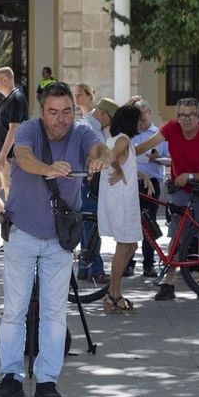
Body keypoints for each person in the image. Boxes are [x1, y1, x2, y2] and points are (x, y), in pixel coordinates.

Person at [0, 81, 108, 397]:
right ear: (42, 112)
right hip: (23, 233)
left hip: (60, 239)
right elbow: (23, 156)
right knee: (14, 310)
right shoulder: (29, 130)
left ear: (74, 110)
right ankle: (11, 376)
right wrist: (49, 169)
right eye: (53, 112)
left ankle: (47, 380)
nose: (61, 119)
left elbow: (99, 148)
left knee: (55, 313)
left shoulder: (82, 132)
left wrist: (100, 159)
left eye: (67, 111)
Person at [134, 98, 199, 301]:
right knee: (176, 235)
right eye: (182, 115)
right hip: (180, 189)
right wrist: (124, 153)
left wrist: (190, 175)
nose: (186, 119)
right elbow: (146, 145)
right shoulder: (172, 128)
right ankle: (168, 283)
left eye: (191, 115)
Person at [98, 105, 141, 313]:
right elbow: (109, 158)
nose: (141, 123)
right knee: (125, 246)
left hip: (122, 199)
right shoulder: (123, 139)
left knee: (130, 246)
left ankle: (114, 292)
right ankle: (113, 294)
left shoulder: (116, 139)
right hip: (122, 201)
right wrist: (118, 171)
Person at [77, 98, 117, 282]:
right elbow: (86, 154)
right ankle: (96, 270)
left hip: (89, 180)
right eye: (110, 119)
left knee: (87, 223)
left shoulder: (94, 127)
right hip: (86, 180)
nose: (110, 124)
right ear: (102, 113)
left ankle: (85, 269)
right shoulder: (88, 127)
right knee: (92, 224)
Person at [0, 67, 28, 219]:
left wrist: (3, 156)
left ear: (5, 80)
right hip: (1, 157)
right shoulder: (7, 100)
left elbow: (14, 129)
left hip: (9, 157)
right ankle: (7, 224)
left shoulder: (17, 98)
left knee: (11, 198)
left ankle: (15, 235)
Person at [131, 98, 167, 277]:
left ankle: (148, 264)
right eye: (137, 115)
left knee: (149, 224)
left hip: (151, 184)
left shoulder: (159, 134)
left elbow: (170, 159)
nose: (141, 118)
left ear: (149, 114)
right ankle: (128, 263)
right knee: (129, 224)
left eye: (143, 114)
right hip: (130, 184)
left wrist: (158, 156)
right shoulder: (129, 134)